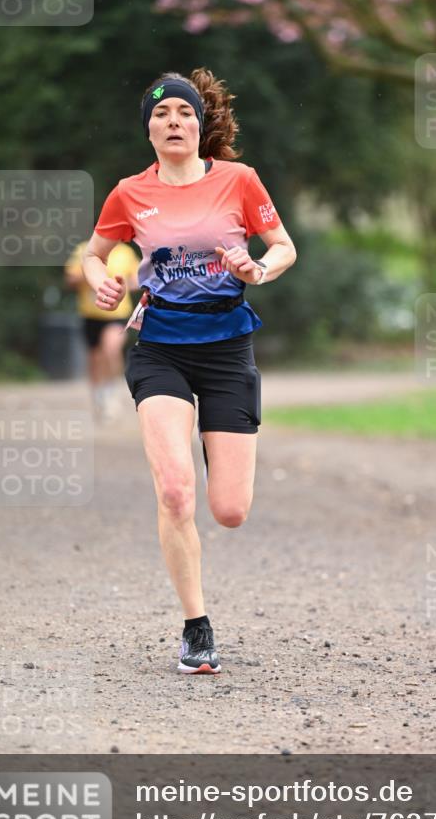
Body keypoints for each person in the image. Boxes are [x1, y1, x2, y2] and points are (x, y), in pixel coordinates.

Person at [81, 68, 297, 674]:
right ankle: (196, 629)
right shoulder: (129, 193)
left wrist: (258, 269)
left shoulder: (238, 180)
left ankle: (216, 449)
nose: (173, 121)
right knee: (175, 490)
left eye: (184, 112)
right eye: (161, 113)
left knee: (229, 509)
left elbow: (284, 246)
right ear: (148, 128)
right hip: (160, 349)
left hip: (228, 348)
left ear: (200, 125)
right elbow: (94, 256)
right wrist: (105, 285)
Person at [64, 240, 141, 421]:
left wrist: (119, 287)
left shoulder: (125, 252)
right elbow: (70, 279)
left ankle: (111, 391)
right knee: (95, 358)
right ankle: (98, 394)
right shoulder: (84, 250)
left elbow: (138, 279)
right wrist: (90, 275)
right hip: (91, 313)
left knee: (111, 349)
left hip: (117, 313)